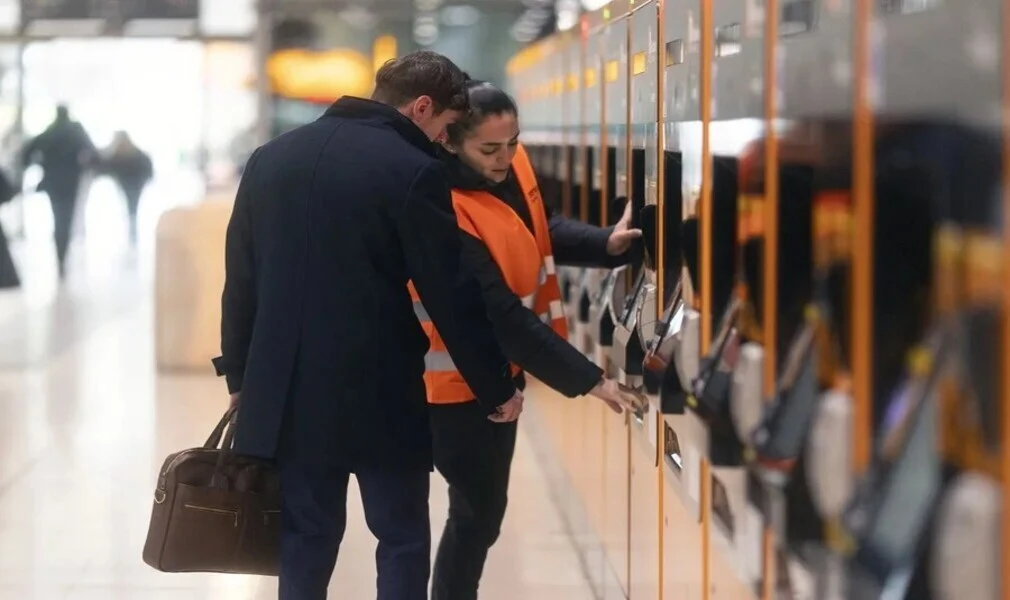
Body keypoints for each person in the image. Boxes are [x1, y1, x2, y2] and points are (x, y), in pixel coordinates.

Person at [213, 52, 524, 600]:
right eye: (446, 129)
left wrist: (239, 375)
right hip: (378, 393)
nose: (443, 143)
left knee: (305, 536)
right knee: (400, 538)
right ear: (421, 106)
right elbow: (449, 292)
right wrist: (495, 385)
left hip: (288, 391)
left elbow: (242, 277)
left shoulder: (269, 159)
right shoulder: (411, 169)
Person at [412, 79, 642, 600]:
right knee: (476, 512)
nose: (506, 157)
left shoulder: (510, 168)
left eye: (513, 142)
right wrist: (591, 380)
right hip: (450, 387)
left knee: (483, 514)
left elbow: (536, 225)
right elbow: (500, 316)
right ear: (450, 141)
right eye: (490, 149)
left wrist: (604, 242)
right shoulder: (441, 207)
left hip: (500, 376)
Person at [21, 105, 96, 278]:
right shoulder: (76, 132)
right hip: (70, 182)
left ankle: (60, 256)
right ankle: (62, 256)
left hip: (53, 182)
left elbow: (29, 151)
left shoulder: (50, 131)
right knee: (65, 219)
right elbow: (93, 154)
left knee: (58, 218)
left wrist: (39, 163)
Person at [100, 131, 153, 243]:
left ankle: (132, 229)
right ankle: (132, 228)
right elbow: (105, 166)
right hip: (128, 185)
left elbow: (147, 169)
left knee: (132, 206)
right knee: (131, 207)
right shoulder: (120, 155)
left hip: (135, 185)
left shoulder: (133, 155)